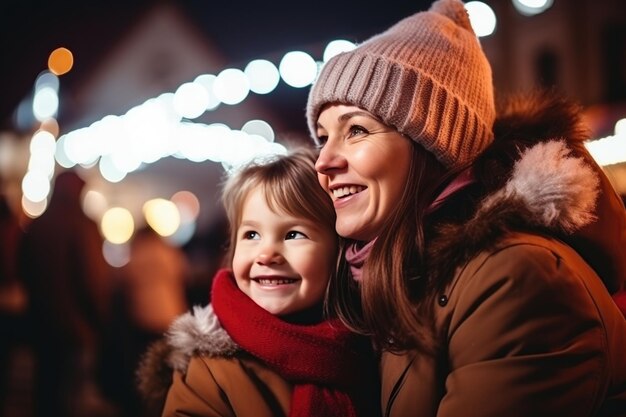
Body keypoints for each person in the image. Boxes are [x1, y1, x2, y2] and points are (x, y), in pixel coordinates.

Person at [306, 0, 626, 416]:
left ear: (433, 144)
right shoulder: (397, 278)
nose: (323, 161)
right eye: (322, 136)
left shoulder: (516, 278)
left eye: (356, 130)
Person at [137, 148, 379, 417]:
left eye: (293, 234)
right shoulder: (208, 370)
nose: (266, 255)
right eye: (251, 234)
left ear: (338, 249)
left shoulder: (376, 350)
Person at [18, 169, 114, 417]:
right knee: (71, 397)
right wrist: (100, 319)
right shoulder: (82, 226)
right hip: (76, 327)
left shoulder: (36, 226)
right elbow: (92, 279)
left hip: (40, 322)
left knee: (45, 391)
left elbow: (24, 271)